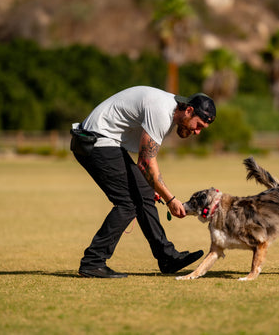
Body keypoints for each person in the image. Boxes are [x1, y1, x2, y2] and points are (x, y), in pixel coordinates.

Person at [71, 85, 216, 278]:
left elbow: (144, 164)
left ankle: (167, 257)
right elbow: (146, 162)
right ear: (189, 110)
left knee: (145, 194)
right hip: (95, 142)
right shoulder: (162, 111)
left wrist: (151, 186)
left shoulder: (170, 110)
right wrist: (170, 199)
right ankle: (93, 262)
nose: (197, 132)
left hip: (106, 142)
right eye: (198, 125)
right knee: (128, 203)